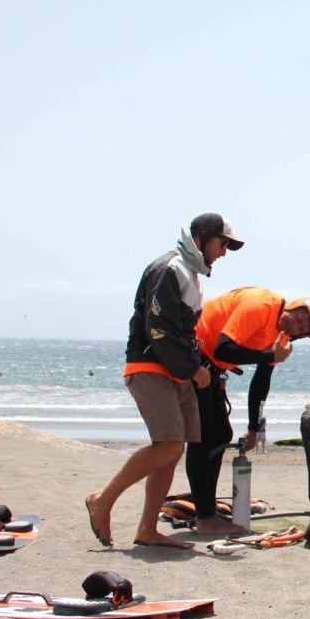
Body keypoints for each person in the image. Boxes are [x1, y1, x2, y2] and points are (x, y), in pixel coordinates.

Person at [85, 213, 243, 550]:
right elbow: (159, 329)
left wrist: (198, 367)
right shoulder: (169, 268)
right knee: (169, 445)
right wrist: (192, 369)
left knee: (173, 450)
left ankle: (147, 528)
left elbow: (182, 332)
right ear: (202, 236)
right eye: (223, 244)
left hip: (174, 369)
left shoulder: (190, 274)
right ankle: (103, 499)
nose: (225, 252)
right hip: (150, 365)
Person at [187, 288, 310, 537]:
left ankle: (206, 510)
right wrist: (268, 355)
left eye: (303, 329)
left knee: (221, 435)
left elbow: (261, 382)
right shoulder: (259, 305)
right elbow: (223, 348)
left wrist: (255, 427)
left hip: (211, 367)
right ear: (293, 306)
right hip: (192, 352)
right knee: (204, 436)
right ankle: (205, 516)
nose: (296, 325)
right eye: (299, 316)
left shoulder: (281, 340)